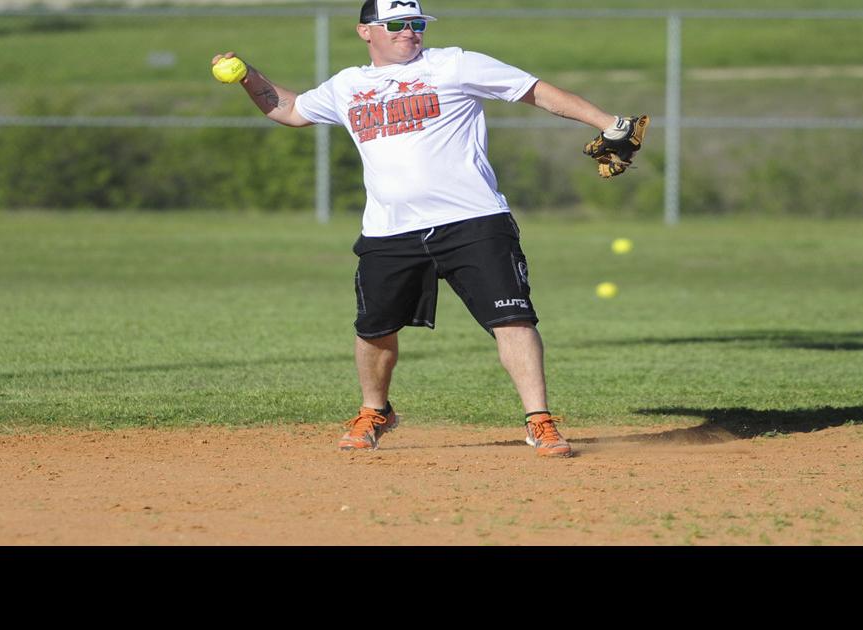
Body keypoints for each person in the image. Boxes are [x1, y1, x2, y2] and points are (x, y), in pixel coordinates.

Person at [213, 0, 639, 457]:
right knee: (374, 328)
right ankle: (375, 411)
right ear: (365, 32)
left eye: (415, 23)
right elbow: (290, 110)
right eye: (395, 24)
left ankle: (540, 420)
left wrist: (609, 123)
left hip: (473, 219)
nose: (408, 32)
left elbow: (535, 91)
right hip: (389, 230)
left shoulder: (454, 64)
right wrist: (246, 76)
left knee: (513, 318)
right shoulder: (348, 86)